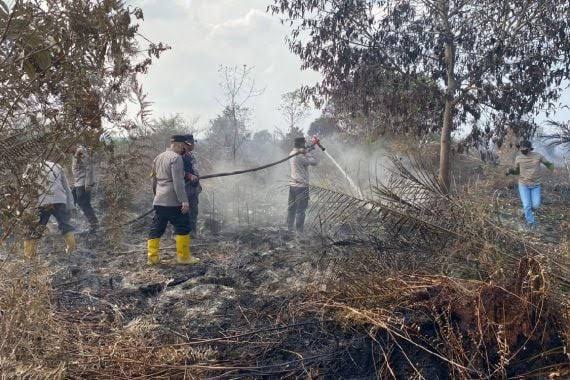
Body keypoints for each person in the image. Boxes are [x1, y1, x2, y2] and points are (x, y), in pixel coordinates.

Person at [147, 135, 199, 265]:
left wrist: (156, 195)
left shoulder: (158, 157)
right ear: (179, 145)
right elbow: (178, 182)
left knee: (157, 227)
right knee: (183, 226)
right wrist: (184, 201)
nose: (185, 150)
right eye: (184, 147)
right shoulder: (176, 158)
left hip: (159, 199)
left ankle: (152, 258)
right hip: (173, 201)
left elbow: (153, 180)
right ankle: (183, 257)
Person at [23, 159, 76, 259]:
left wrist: (25, 207)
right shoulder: (57, 165)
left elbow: (25, 187)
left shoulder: (30, 166)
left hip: (42, 201)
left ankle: (29, 257)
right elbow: (66, 187)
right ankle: (72, 250)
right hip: (60, 199)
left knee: (33, 229)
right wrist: (70, 205)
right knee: (65, 225)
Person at [506, 140, 554, 227]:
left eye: (525, 148)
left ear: (529, 148)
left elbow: (548, 163)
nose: (523, 149)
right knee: (527, 205)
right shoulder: (518, 158)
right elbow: (517, 171)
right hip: (523, 184)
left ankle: (525, 211)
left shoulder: (538, 156)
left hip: (536, 185)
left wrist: (552, 168)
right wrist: (510, 171)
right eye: (521, 148)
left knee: (535, 205)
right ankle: (531, 222)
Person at [287, 136, 319, 233]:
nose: (305, 145)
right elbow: (314, 162)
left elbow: (304, 152)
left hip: (292, 186)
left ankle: (289, 229)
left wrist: (308, 149)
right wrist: (310, 152)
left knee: (291, 208)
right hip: (301, 187)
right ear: (301, 144)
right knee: (301, 210)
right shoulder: (299, 156)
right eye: (304, 143)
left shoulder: (291, 153)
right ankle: (299, 232)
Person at [68, 144, 98, 232]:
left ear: (72, 145)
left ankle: (94, 223)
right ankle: (73, 221)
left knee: (83, 203)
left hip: (83, 183)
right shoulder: (75, 154)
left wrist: (88, 184)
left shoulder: (80, 151)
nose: (67, 151)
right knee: (71, 198)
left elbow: (89, 166)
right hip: (78, 183)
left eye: (68, 148)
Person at [182, 134, 202, 238]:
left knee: (194, 211)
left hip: (193, 189)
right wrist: (189, 176)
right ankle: (181, 234)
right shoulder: (179, 156)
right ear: (187, 144)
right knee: (183, 211)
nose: (194, 145)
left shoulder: (191, 155)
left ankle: (192, 233)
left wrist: (198, 185)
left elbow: (195, 171)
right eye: (192, 143)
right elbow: (178, 171)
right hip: (184, 188)